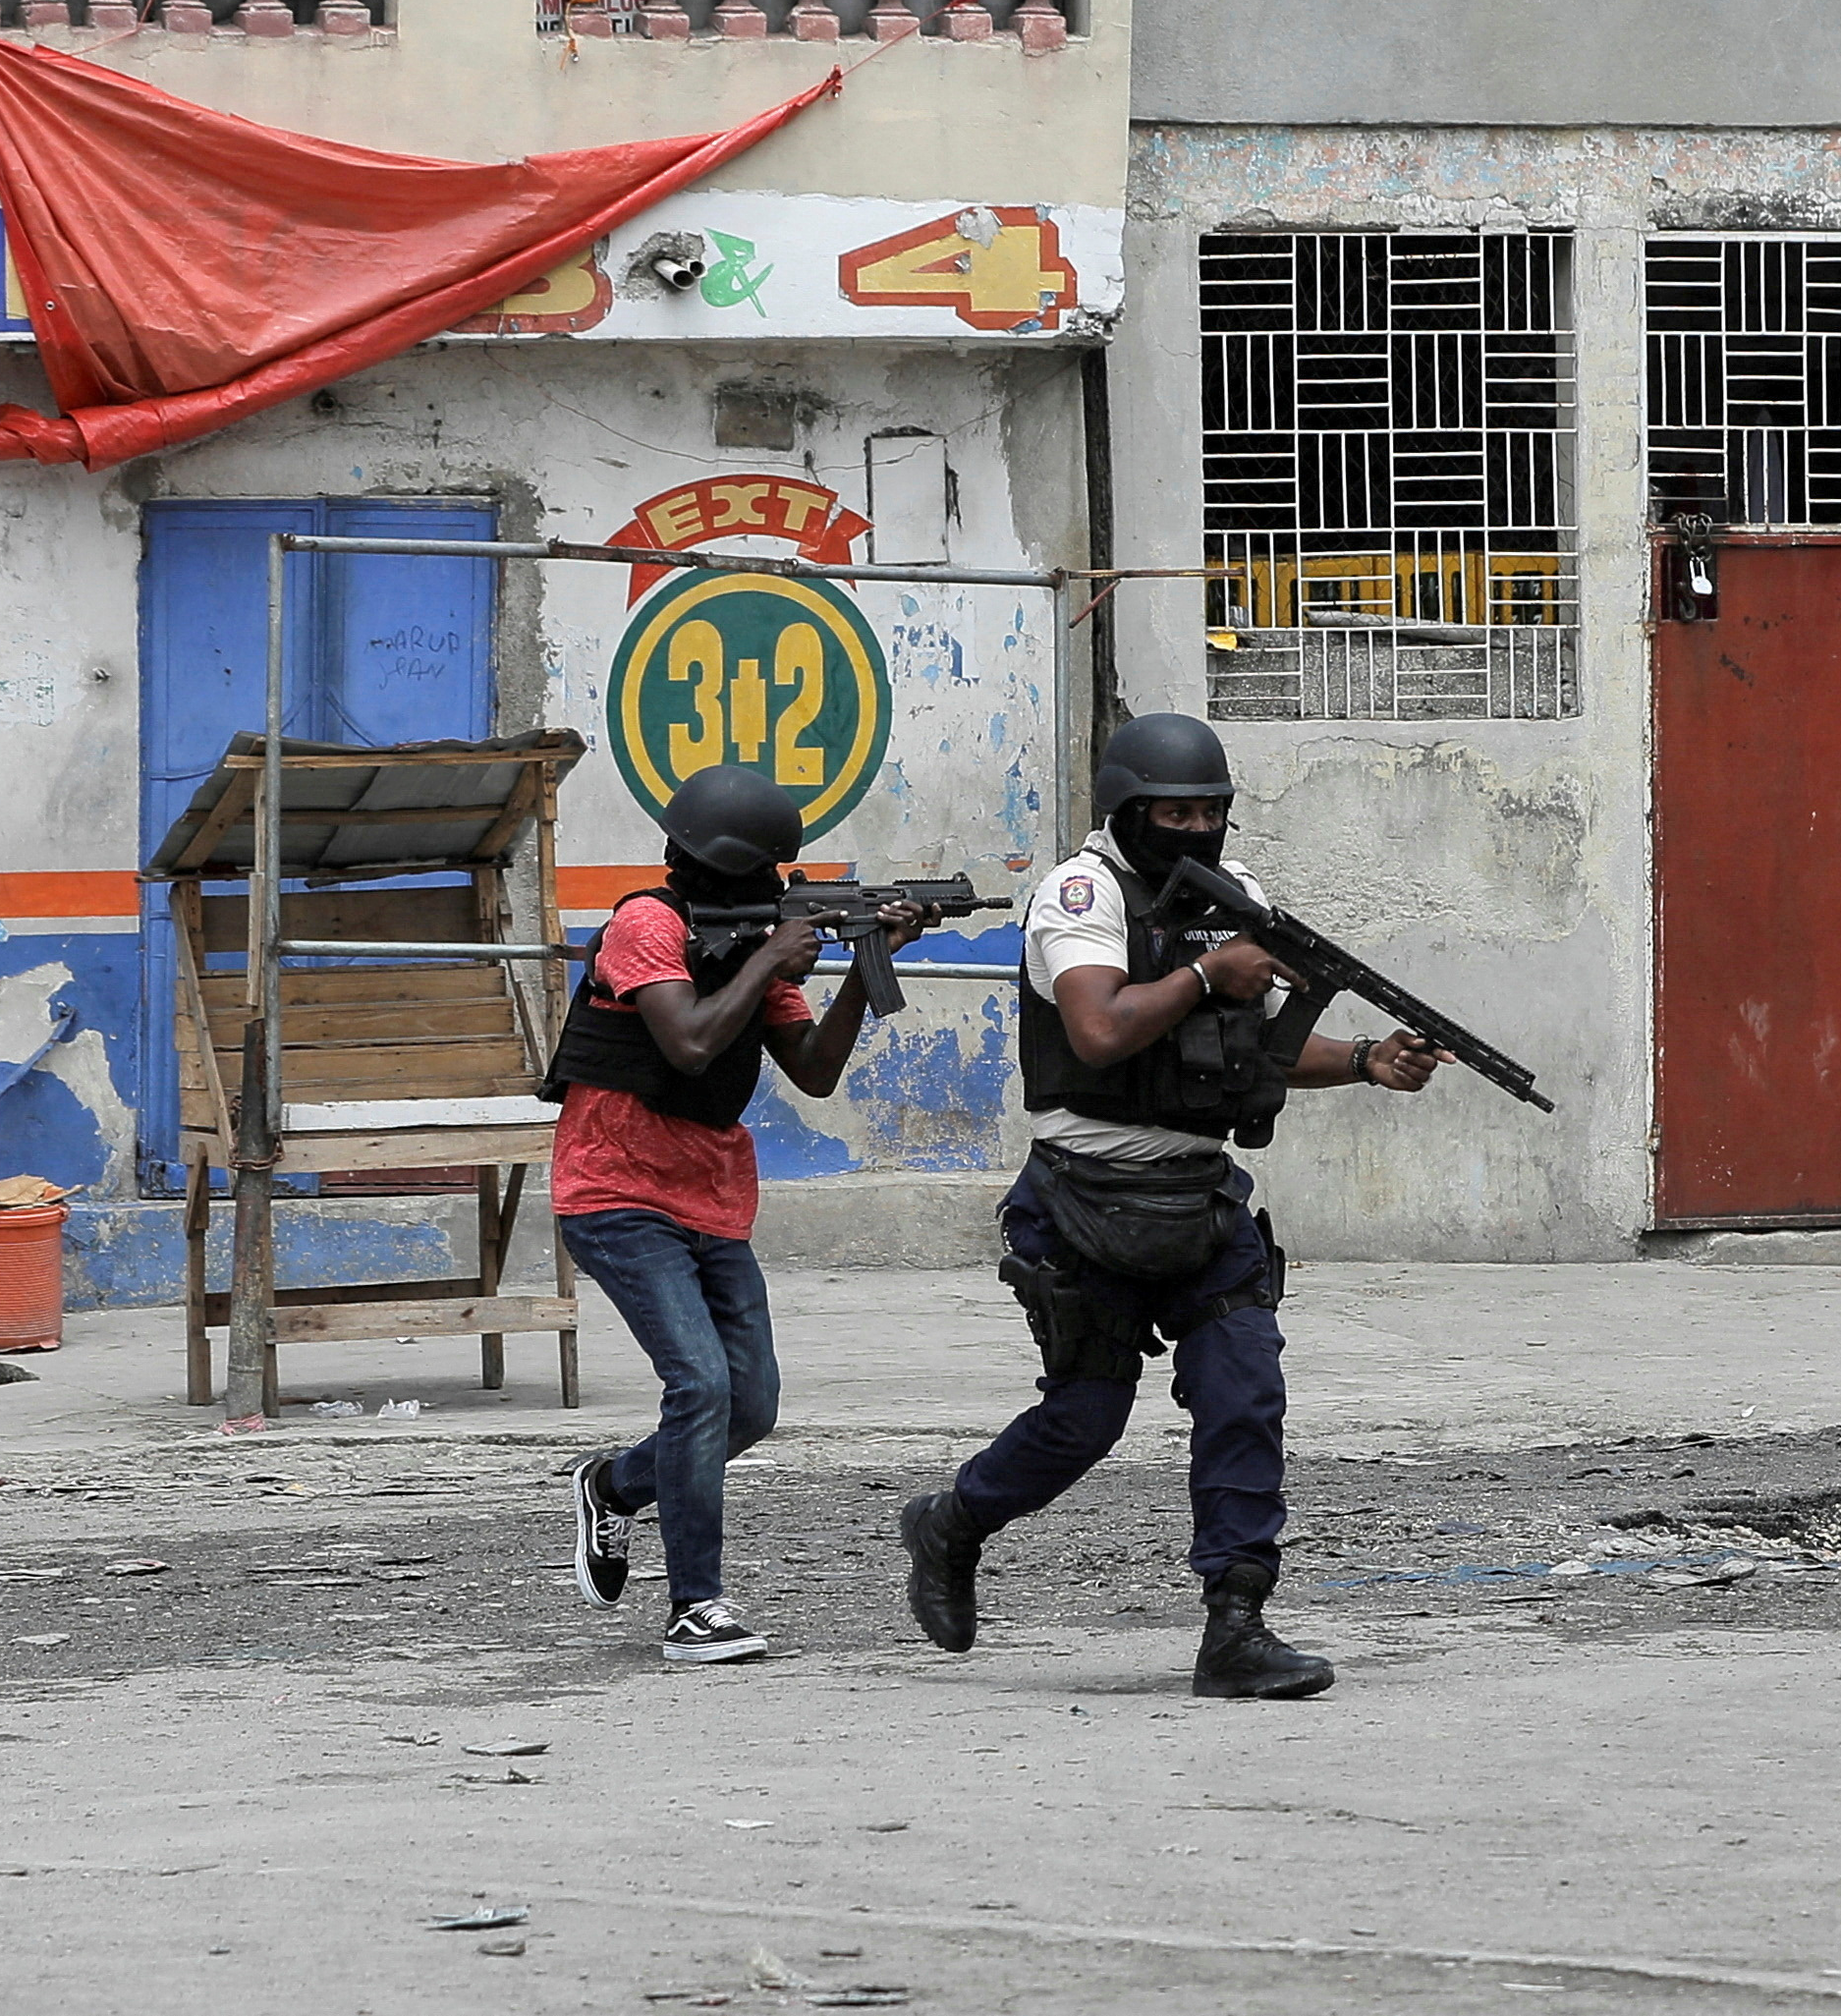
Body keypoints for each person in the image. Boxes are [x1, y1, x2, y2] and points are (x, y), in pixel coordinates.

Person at [897, 714, 1443, 1699]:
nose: (1193, 828)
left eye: (1210, 811)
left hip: (1198, 1199)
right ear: (1126, 809)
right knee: (1085, 1416)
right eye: (1173, 811)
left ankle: (1236, 1625)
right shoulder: (1080, 892)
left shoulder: (1240, 905)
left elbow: (1262, 1049)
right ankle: (952, 1521)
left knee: (1244, 1393)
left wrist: (1366, 1060)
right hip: (1082, 1196)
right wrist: (1201, 972)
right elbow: (1098, 1028)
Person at [556, 767, 925, 1666]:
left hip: (711, 1195)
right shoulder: (649, 922)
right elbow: (685, 1039)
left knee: (749, 1403)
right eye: (766, 873)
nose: (774, 887)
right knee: (701, 1384)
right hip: (615, 1189)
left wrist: (868, 959)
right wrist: (770, 953)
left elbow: (814, 1067)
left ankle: (614, 1485)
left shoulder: (757, 939)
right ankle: (696, 1605)